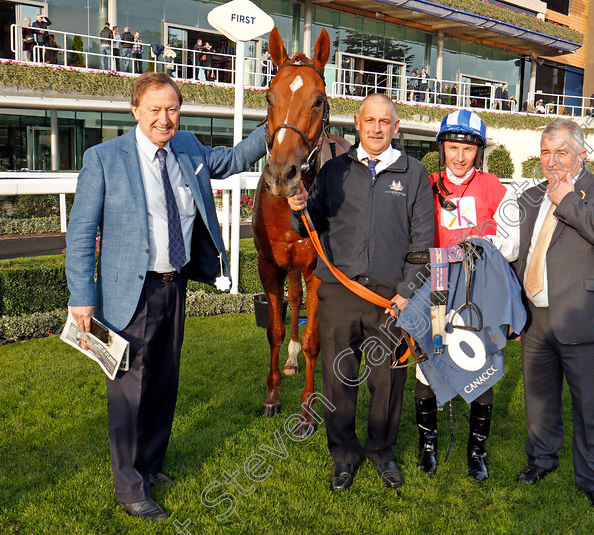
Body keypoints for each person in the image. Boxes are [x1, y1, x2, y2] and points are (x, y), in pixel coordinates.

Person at [66, 72, 266, 521]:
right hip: (125, 294)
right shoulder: (104, 158)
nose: (164, 118)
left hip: (174, 289)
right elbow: (80, 231)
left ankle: (151, 465)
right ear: (135, 110)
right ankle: (129, 487)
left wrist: (276, 123)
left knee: (162, 384)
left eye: (172, 108)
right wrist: (81, 295)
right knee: (128, 391)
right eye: (154, 109)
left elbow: (234, 159)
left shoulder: (189, 148)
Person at [287, 93, 435, 492]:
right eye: (369, 120)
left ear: (396, 128)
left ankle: (382, 453)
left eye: (385, 122)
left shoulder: (415, 173)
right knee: (339, 380)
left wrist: (406, 293)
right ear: (357, 123)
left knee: (388, 382)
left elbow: (424, 243)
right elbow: (307, 225)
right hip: (338, 292)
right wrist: (297, 203)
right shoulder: (334, 171)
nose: (376, 128)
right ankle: (344, 456)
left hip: (390, 299)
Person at [512, 118, 594, 518]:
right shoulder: (529, 196)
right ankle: (542, 460)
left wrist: (567, 199)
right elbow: (521, 252)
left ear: (581, 153)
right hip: (536, 319)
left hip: (584, 318)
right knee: (539, 401)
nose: (552, 160)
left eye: (561, 151)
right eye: (545, 152)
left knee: (590, 407)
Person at [415, 109, 519, 481]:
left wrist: (480, 243)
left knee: (482, 370)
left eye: (468, 149)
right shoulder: (425, 184)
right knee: (427, 367)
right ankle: (428, 445)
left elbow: (511, 244)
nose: (460, 156)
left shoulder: (495, 188)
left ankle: (477, 451)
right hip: (440, 289)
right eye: (453, 147)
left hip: (480, 292)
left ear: (479, 151)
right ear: (442, 148)